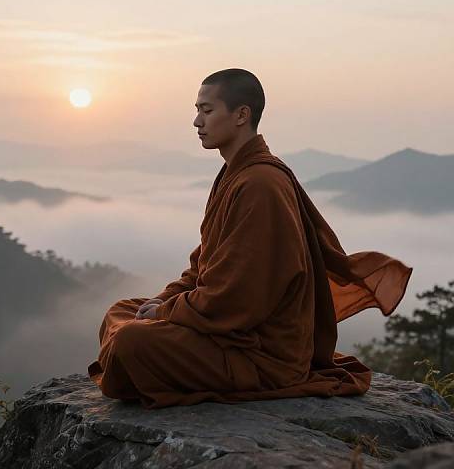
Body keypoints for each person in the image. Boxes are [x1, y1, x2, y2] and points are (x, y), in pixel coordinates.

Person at [87, 68, 413, 409]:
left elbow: (237, 298)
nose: (197, 121)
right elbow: (202, 267)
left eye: (207, 110)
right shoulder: (235, 175)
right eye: (196, 110)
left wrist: (164, 314)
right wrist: (157, 306)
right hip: (224, 330)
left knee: (131, 341)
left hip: (259, 353)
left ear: (242, 115)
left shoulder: (260, 185)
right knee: (122, 310)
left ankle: (134, 363)